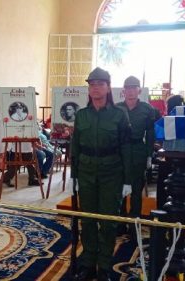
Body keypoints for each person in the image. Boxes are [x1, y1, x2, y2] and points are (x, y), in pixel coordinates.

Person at [71, 67, 131, 281]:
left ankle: (104, 265)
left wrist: (128, 180)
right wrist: (74, 176)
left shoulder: (118, 115)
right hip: (86, 171)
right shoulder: (81, 115)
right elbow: (75, 147)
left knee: (107, 221)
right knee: (87, 220)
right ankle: (87, 263)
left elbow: (126, 147)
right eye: (91, 84)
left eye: (99, 84)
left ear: (107, 87)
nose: (95, 88)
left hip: (112, 172)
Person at [115, 76, 158, 221]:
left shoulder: (147, 109)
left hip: (138, 150)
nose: (131, 91)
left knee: (136, 189)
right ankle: (120, 223)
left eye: (134, 88)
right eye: (128, 88)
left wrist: (149, 155)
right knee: (119, 189)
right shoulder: (116, 108)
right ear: (123, 91)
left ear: (139, 90)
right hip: (120, 152)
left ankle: (135, 222)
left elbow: (151, 133)